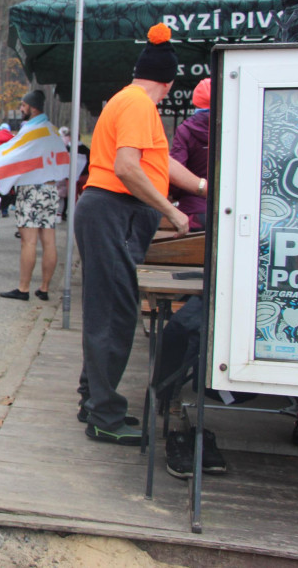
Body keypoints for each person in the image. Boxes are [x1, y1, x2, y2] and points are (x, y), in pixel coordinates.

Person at [75, 24, 208, 445]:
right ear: (168, 84)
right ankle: (105, 418)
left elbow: (160, 163)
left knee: (109, 311)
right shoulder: (136, 104)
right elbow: (128, 168)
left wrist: (205, 188)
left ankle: (92, 400)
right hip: (112, 211)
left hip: (113, 214)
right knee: (114, 315)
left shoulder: (133, 103)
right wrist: (170, 209)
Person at [0, 90, 66, 302]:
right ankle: (44, 288)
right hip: (50, 189)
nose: (20, 109)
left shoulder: (32, 131)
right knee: (49, 240)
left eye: (23, 106)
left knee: (28, 242)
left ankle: (24, 288)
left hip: (31, 189)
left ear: (32, 107)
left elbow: (11, 155)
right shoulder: (53, 131)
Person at [169, 78, 211, 232]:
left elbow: (175, 172)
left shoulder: (185, 129)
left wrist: (175, 195)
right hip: (230, 209)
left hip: (193, 212)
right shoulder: (235, 126)